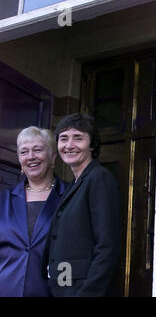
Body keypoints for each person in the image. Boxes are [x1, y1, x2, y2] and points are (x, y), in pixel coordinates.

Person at [43, 113, 120, 296]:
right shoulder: (75, 184)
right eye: (63, 139)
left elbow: (107, 246)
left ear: (92, 144)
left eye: (78, 138)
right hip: (65, 287)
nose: (69, 145)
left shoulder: (99, 178)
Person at [0, 126, 66, 296]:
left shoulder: (70, 196)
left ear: (52, 157)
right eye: (24, 152)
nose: (31, 157)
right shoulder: (3, 200)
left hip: (52, 291)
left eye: (37, 150)